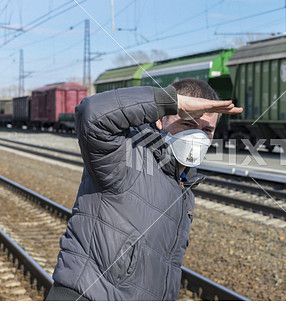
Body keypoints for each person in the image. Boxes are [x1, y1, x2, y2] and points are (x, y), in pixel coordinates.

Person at [45, 78, 242, 301]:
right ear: (160, 119)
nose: (197, 136)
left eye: (207, 129)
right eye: (187, 124)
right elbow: (91, 113)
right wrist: (168, 100)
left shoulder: (183, 187)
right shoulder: (124, 152)